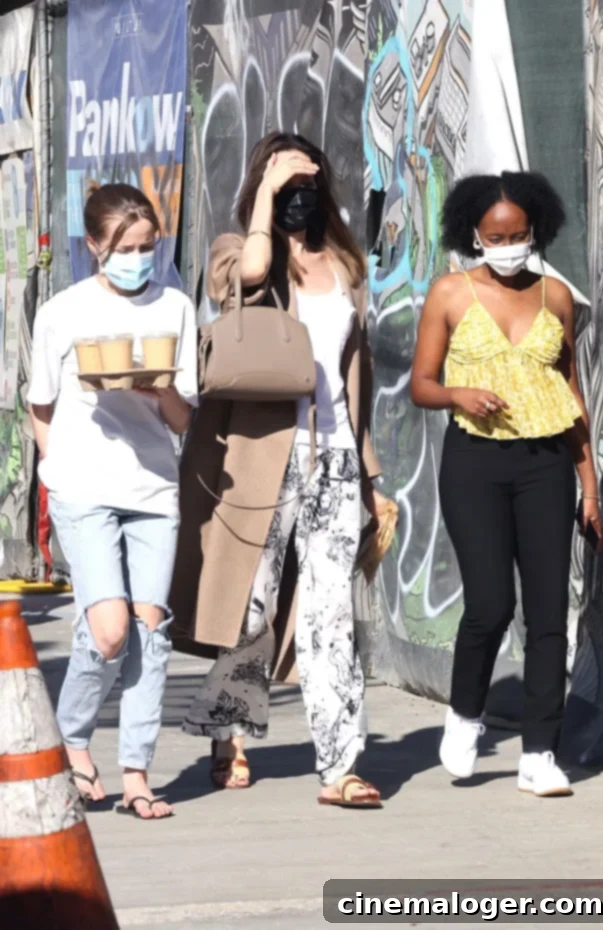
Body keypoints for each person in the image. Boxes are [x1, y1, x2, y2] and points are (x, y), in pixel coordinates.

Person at [169, 132, 390, 808]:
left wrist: (371, 476)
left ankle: (339, 764)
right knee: (254, 605)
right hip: (262, 457)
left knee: (330, 615)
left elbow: (356, 374)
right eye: (285, 187)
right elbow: (256, 274)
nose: (300, 199)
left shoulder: (346, 266)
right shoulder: (234, 251)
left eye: (307, 186)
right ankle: (228, 732)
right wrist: (265, 192)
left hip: (336, 462)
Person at [410, 171, 602, 798]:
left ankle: (540, 754)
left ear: (536, 230)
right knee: (491, 602)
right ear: (474, 234)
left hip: (547, 463)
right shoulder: (451, 293)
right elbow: (421, 383)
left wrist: (589, 483)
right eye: (496, 236)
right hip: (476, 463)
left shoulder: (555, 296)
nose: (509, 245)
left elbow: (569, 393)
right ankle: (466, 715)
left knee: (549, 611)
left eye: (519, 234)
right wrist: (458, 393)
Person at [28, 183, 198, 819]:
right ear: (95, 246)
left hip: (153, 487)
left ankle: (136, 773)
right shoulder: (63, 312)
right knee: (109, 633)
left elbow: (183, 420)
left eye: (148, 246)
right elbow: (39, 402)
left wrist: (158, 391)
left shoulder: (175, 307)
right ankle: (69, 738)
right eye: (125, 247)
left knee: (150, 635)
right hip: (83, 488)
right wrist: (55, 470)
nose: (138, 257)